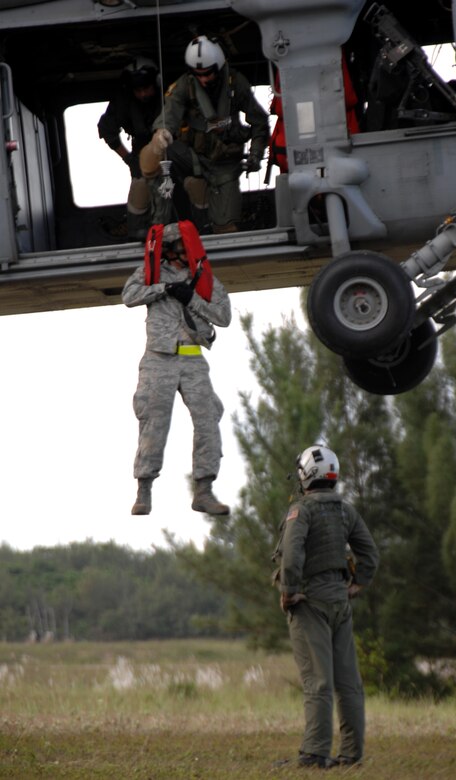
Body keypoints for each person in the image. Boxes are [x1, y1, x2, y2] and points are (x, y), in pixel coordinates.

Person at [272, 444, 379, 770]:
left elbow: (291, 553)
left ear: (306, 475)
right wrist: (357, 583)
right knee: (348, 682)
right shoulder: (346, 511)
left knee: (317, 681)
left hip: (310, 603)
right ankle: (351, 754)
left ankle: (315, 754)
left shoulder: (300, 510)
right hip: (340, 602)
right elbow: (370, 553)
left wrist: (289, 591)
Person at [122, 220, 231, 516]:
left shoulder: (203, 276)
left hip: (193, 358)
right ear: (170, 250)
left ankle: (204, 491)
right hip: (159, 359)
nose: (189, 252)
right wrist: (163, 288)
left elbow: (223, 316)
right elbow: (129, 296)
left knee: (208, 419)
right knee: (153, 424)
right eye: (183, 247)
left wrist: (191, 298)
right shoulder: (151, 271)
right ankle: (143, 491)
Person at [140, 35, 269, 234]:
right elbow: (170, 113)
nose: (203, 79)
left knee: (226, 227)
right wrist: (162, 134)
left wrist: (255, 155)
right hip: (192, 155)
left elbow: (259, 123)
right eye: (197, 74)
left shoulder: (236, 84)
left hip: (224, 160)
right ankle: (159, 226)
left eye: (207, 73)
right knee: (158, 156)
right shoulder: (184, 86)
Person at [98, 57, 162, 239]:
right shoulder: (124, 102)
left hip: (173, 148)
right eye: (138, 90)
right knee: (140, 187)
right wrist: (129, 159)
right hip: (142, 150)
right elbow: (106, 128)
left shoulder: (171, 96)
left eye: (146, 89)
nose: (143, 94)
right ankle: (137, 230)